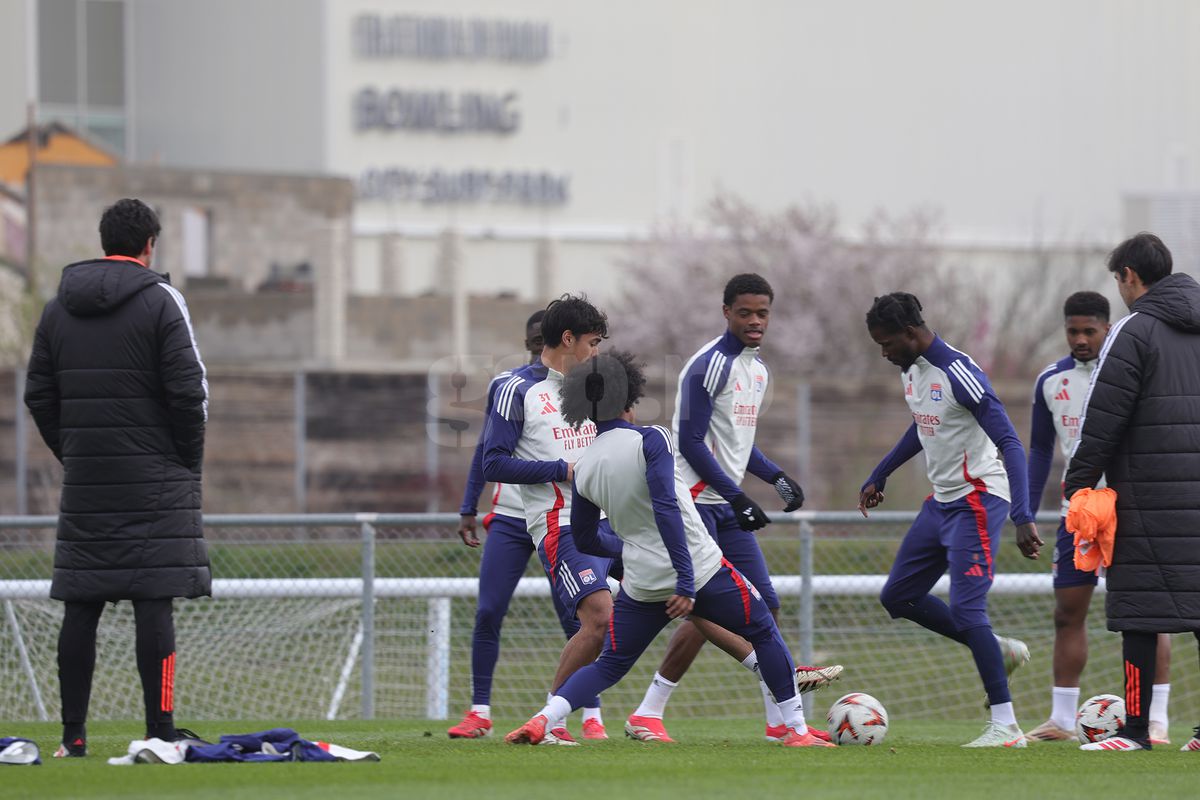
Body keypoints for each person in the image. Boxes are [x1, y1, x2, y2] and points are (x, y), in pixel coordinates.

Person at [506, 352, 833, 748]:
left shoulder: (586, 464)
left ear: (581, 407)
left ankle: (543, 720)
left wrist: (631, 552)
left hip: (642, 582)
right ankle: (796, 731)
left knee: (610, 664)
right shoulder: (652, 438)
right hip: (698, 568)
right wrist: (683, 577)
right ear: (630, 396)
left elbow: (588, 540)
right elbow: (666, 507)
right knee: (763, 626)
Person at [24, 198, 210, 757]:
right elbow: (189, 393)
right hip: (156, 478)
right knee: (153, 604)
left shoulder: (58, 309)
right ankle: (158, 732)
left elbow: (38, 394)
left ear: (104, 240)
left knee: (81, 605)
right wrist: (185, 460)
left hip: (87, 480)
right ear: (149, 244)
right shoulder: (161, 300)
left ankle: (72, 737)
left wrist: (76, 453)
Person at [627, 273, 841, 744]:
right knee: (715, 610)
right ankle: (648, 712)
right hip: (695, 504)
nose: (755, 321)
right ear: (727, 312)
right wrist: (741, 495)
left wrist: (777, 478)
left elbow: (738, 445)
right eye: (745, 312)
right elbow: (690, 442)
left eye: (762, 312)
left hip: (726, 505)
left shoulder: (757, 371)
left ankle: (777, 723)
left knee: (765, 606)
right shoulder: (708, 366)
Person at [858, 292, 1039, 748]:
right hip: (941, 502)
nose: (884, 353)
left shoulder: (960, 373)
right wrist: (880, 472)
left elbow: (1011, 444)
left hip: (978, 499)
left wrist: (1022, 514)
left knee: (966, 608)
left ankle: (1005, 726)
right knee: (898, 596)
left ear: (911, 332)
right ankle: (997, 647)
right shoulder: (913, 371)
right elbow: (924, 426)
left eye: (886, 343)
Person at [1062, 233, 1200, 752]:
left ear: (1129, 277)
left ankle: (1136, 731)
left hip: (1148, 496)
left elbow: (1103, 416)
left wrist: (1076, 485)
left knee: (1141, 612)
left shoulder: (1134, 330)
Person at [447, 310, 604, 740]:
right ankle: (481, 711)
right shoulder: (513, 388)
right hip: (518, 518)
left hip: (577, 517)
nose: (539, 345)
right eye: (534, 339)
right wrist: (468, 507)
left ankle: (590, 715)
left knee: (583, 617)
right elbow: (488, 454)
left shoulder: (582, 386)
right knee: (489, 610)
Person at [1025, 292, 1172, 744]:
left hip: (1130, 509)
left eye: (1090, 330)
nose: (1081, 339)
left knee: (1149, 615)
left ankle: (1157, 719)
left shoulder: (1130, 371)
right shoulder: (1050, 380)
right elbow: (1039, 451)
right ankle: (1063, 720)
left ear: (1107, 329)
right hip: (1079, 515)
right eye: (1074, 331)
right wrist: (1026, 512)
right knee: (1067, 613)